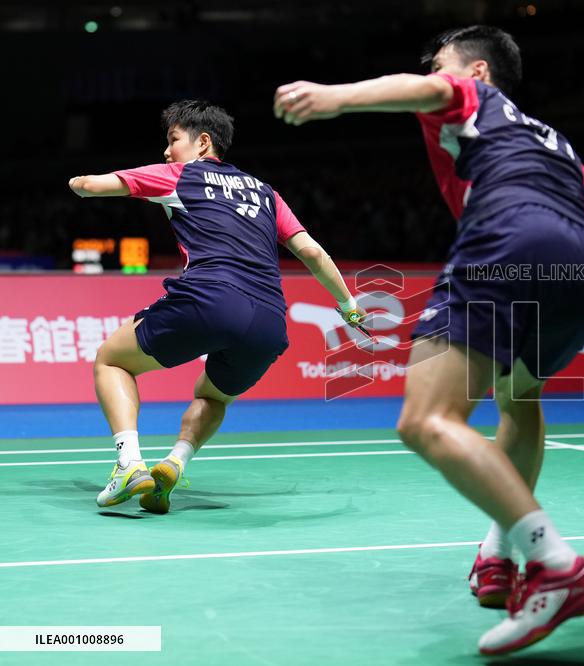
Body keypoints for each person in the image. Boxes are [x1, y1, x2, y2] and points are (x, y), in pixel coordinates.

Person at [273, 25, 584, 655]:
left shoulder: (470, 96)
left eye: (444, 66)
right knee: (519, 398)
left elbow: (426, 86)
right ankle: (500, 552)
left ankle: (555, 565)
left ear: (479, 73)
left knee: (426, 420)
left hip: (509, 246)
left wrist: (337, 97)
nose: (435, 76)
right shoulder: (559, 149)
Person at [68, 100, 365, 514]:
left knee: (111, 361)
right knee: (214, 395)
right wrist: (349, 306)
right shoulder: (266, 193)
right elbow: (313, 253)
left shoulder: (178, 175)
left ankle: (129, 465)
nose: (167, 151)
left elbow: (94, 186)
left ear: (202, 141)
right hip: (268, 322)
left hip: (210, 298)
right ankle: (174, 463)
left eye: (173, 140)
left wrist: (77, 181)